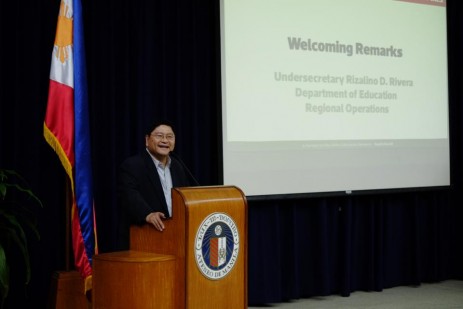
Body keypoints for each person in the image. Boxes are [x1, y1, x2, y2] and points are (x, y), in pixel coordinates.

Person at [117, 121, 195, 249]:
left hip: (173, 236)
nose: (165, 140)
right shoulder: (133, 165)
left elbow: (185, 195)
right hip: (144, 236)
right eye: (159, 135)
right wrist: (147, 214)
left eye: (170, 137)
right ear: (147, 140)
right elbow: (128, 194)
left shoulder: (178, 166)